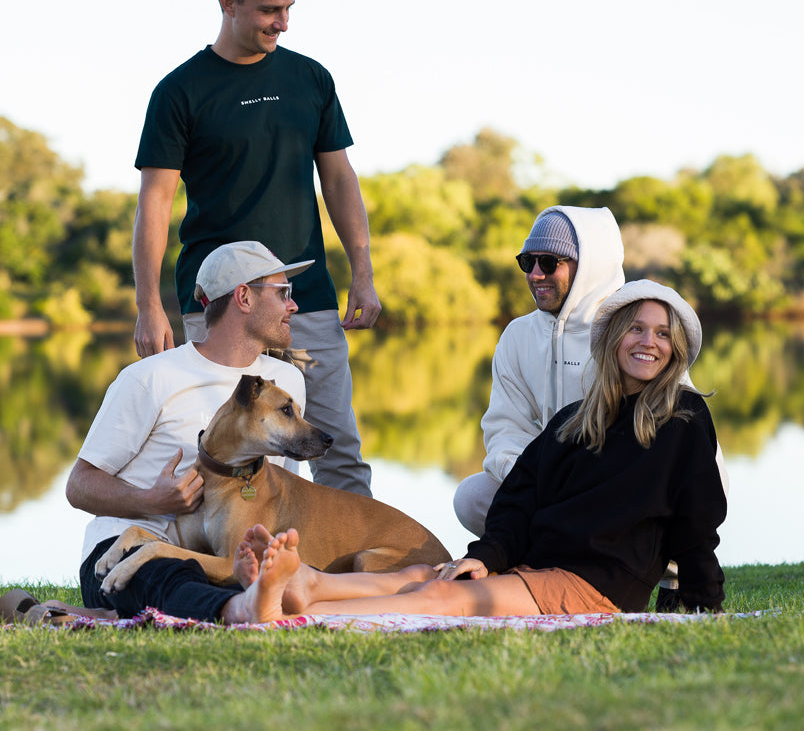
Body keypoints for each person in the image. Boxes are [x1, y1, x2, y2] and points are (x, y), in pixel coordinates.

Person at [229, 280, 727, 623]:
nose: (649, 342)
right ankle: (307, 584)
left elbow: (696, 517)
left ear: (676, 348)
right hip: (538, 568)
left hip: (599, 586)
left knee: (444, 596)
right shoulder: (574, 421)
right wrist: (487, 555)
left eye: (663, 334)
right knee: (425, 575)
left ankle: (300, 615)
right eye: (637, 329)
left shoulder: (681, 418)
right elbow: (517, 498)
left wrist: (702, 598)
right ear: (616, 339)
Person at [131, 0, 378, 497]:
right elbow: (156, 203)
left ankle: (368, 581)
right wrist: (148, 304)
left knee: (337, 453)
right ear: (228, 3)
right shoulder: (180, 92)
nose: (283, 22)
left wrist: (362, 272)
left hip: (305, 300)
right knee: (219, 461)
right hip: (220, 309)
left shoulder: (310, 79)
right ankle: (220, 578)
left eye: (289, 7)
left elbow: (338, 179)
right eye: (270, 9)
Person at [66, 241, 317, 621]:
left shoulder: (285, 383)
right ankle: (240, 610)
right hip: (124, 552)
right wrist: (153, 500)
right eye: (283, 293)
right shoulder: (151, 378)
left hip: (223, 558)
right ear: (244, 297)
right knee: (168, 578)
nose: (293, 306)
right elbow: (79, 485)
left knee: (274, 576)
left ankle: (246, 598)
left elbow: (278, 492)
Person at [453, 206, 625, 537]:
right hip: (550, 484)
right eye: (527, 262)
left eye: (549, 263)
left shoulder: (633, 331)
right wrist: (538, 478)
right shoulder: (518, 336)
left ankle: (670, 578)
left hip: (621, 486)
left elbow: (674, 438)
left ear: (589, 266)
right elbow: (506, 429)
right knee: (473, 497)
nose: (534, 274)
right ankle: (542, 565)